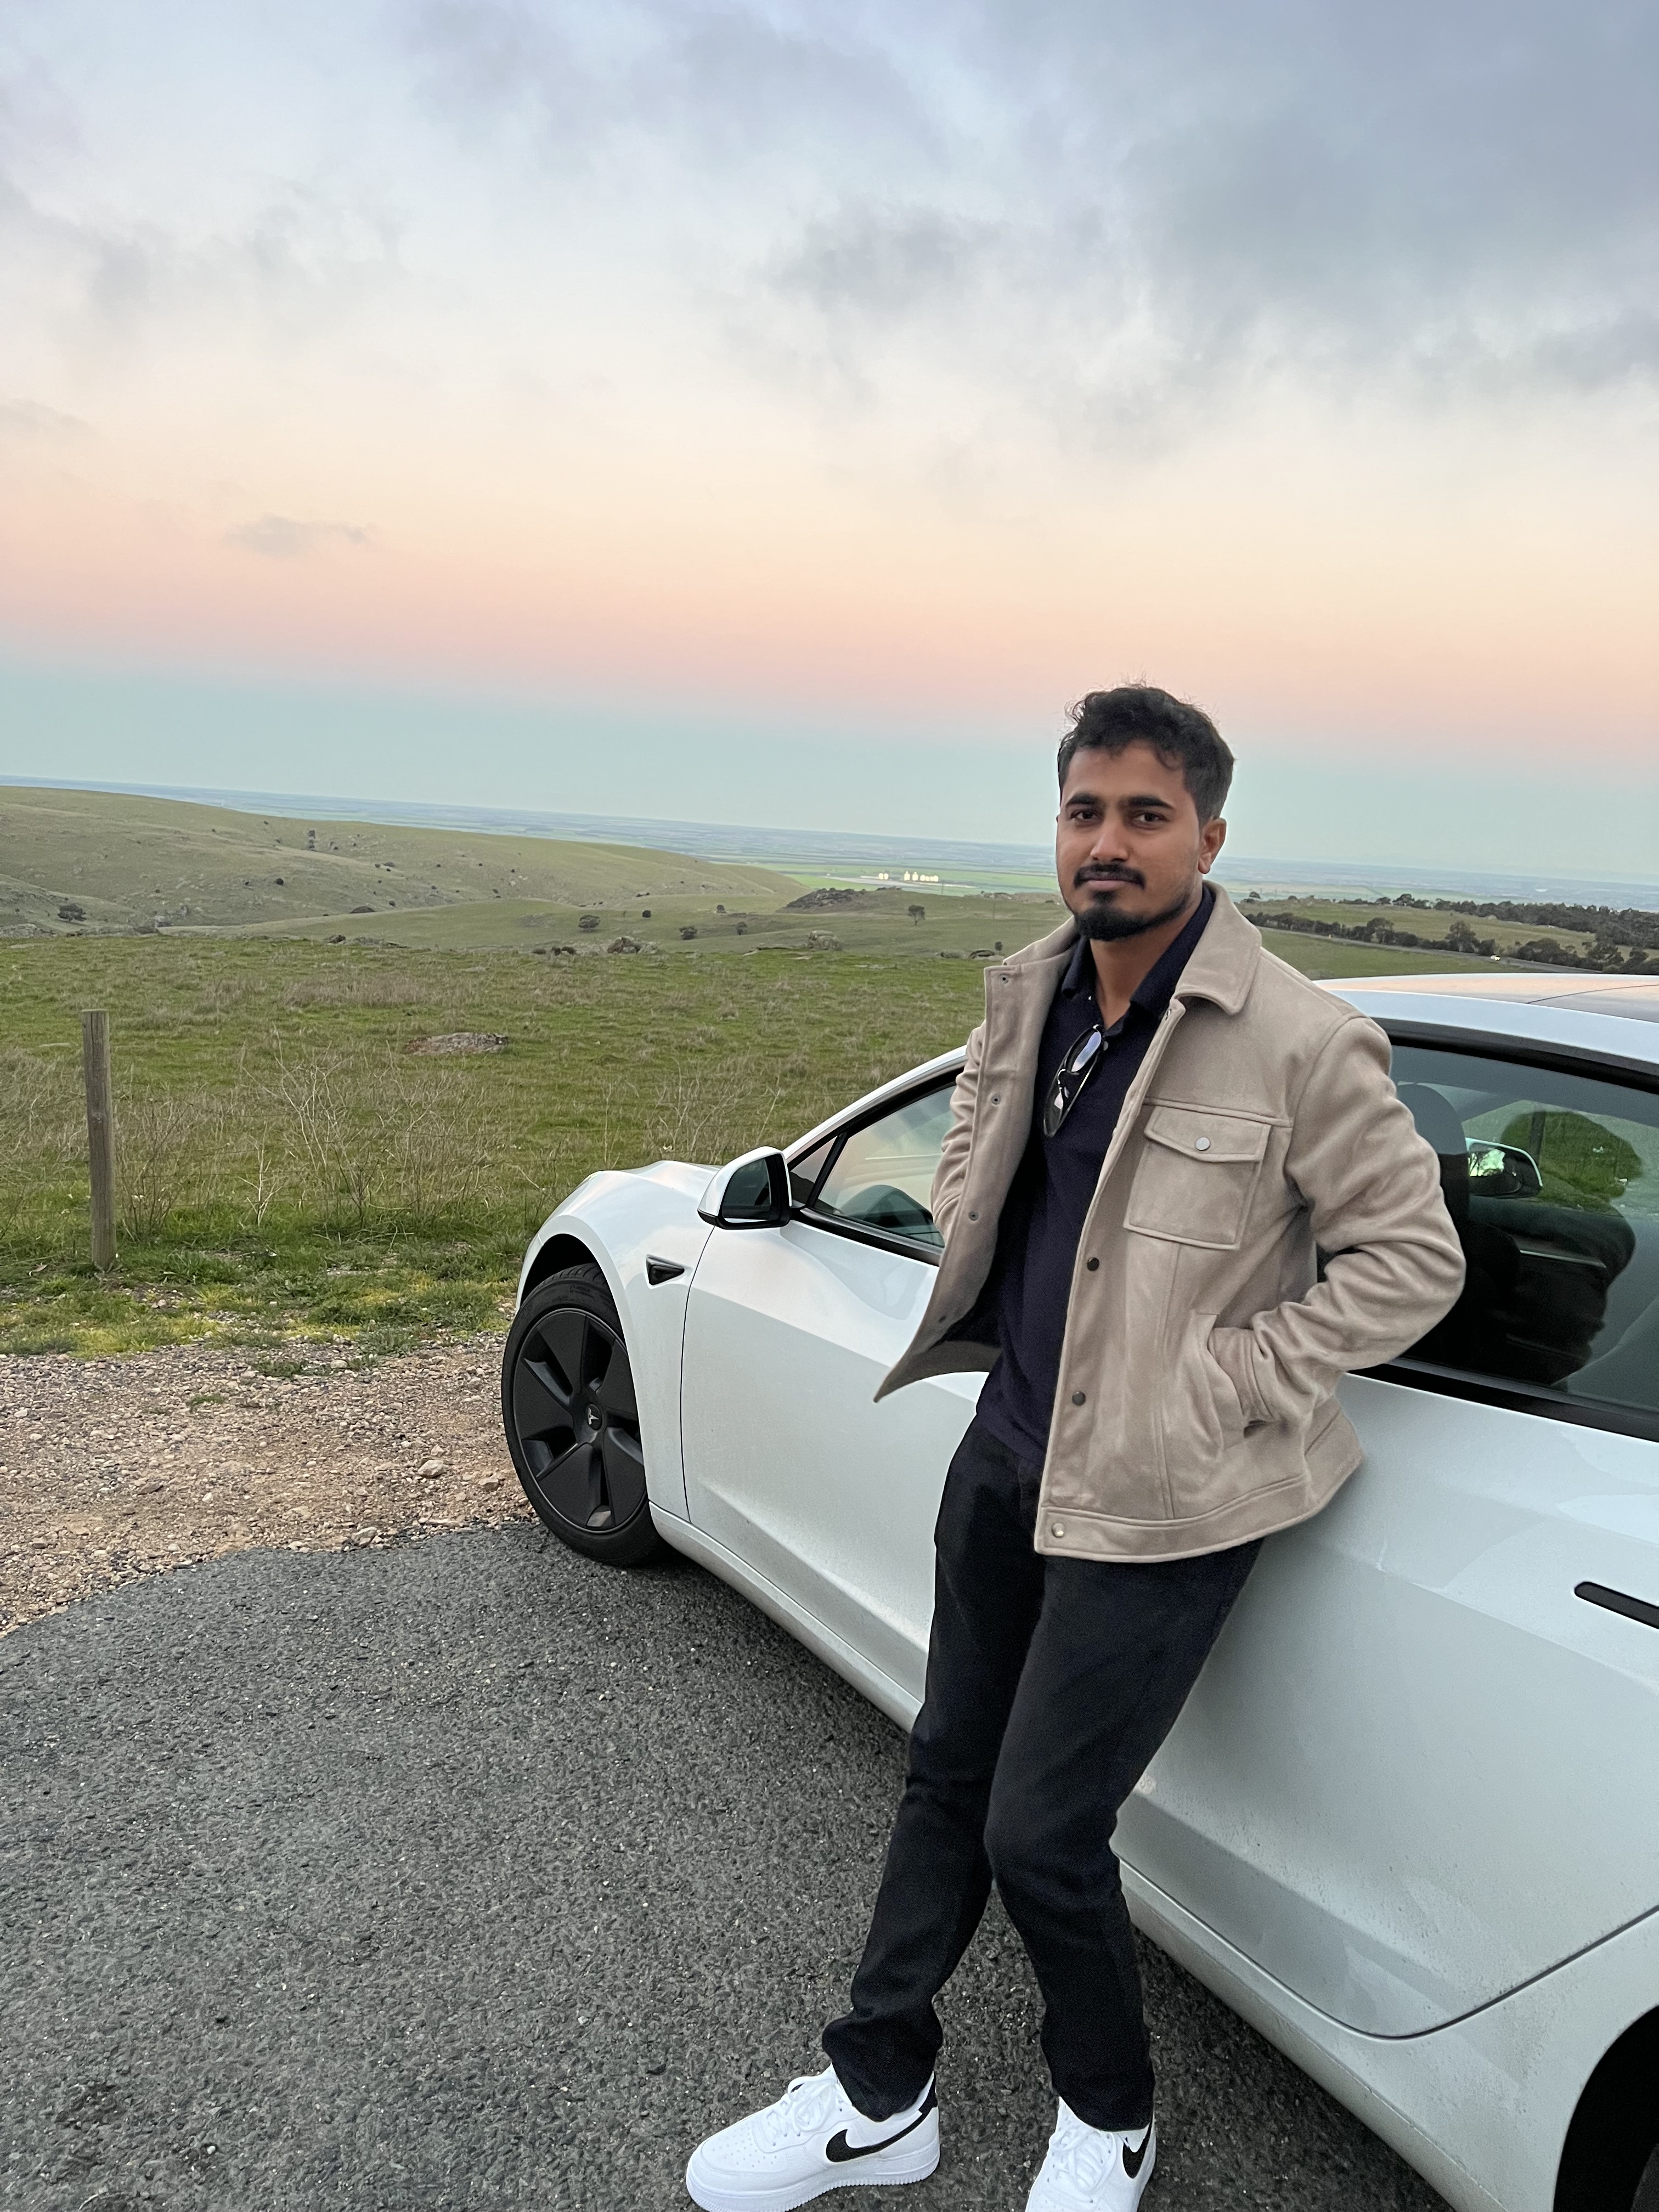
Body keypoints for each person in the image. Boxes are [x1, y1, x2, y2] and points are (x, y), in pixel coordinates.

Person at [685, 686, 1465, 2212]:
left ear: (1210, 837)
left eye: (1145, 814)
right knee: (943, 1772)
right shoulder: (1029, 995)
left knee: (1042, 1833)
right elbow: (982, 1166)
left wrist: (1237, 1371)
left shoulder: (1301, 1040)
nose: (1108, 842)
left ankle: (1110, 2116)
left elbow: (1414, 1259)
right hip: (1009, 1453)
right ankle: (877, 2089)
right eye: (1084, 811)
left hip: (1167, 1493)